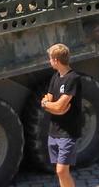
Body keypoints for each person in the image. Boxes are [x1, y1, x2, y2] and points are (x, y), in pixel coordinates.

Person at [39, 43, 85, 185]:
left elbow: (59, 106)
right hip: (54, 131)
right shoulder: (56, 77)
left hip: (68, 132)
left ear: (56, 60)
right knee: (60, 171)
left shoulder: (73, 79)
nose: (49, 62)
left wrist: (49, 105)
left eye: (50, 59)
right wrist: (48, 105)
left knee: (61, 170)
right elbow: (48, 100)